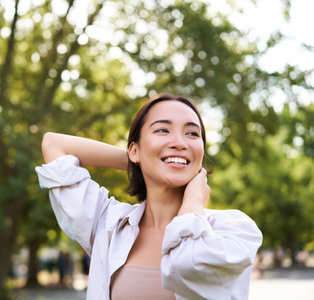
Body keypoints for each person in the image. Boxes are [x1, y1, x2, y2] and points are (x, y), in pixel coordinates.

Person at [35, 93, 263, 299]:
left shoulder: (234, 229)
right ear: (133, 150)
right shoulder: (109, 225)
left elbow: (185, 264)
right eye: (163, 130)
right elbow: (54, 144)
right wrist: (143, 161)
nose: (180, 143)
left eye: (192, 133)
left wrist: (193, 200)